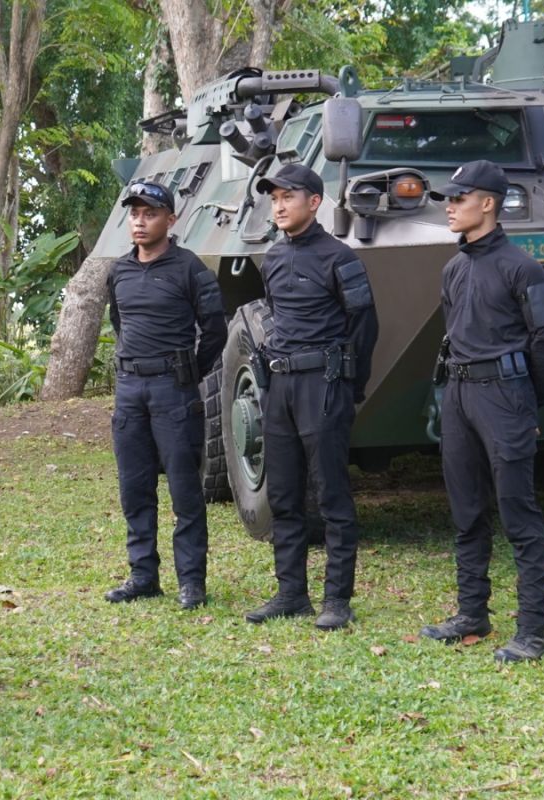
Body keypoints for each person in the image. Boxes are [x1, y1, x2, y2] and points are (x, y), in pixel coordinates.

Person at [418, 159, 544, 663]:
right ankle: (471, 613)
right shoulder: (454, 268)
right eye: (448, 200)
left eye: (459, 199)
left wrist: (527, 403)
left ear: (488, 203)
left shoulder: (522, 267)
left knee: (518, 514)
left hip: (504, 397)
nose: (450, 207)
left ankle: (532, 633)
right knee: (465, 510)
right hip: (459, 395)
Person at [244, 163, 378, 631]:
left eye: (288, 197)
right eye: (274, 198)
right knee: (283, 493)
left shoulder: (340, 258)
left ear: (314, 202)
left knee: (332, 495)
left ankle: (337, 600)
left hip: (324, 386)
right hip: (279, 388)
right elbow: (275, 316)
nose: (278, 205)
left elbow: (365, 327)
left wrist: (350, 386)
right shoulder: (274, 259)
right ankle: (291, 594)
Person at [103, 181, 227, 610]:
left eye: (150, 213)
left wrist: (188, 372)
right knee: (134, 488)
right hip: (129, 389)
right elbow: (121, 324)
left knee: (184, 490)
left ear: (170, 220)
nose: (140, 221)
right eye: (134, 213)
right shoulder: (118, 271)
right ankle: (143, 576)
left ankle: (191, 581)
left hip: (174, 391)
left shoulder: (190, 269)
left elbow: (215, 331)